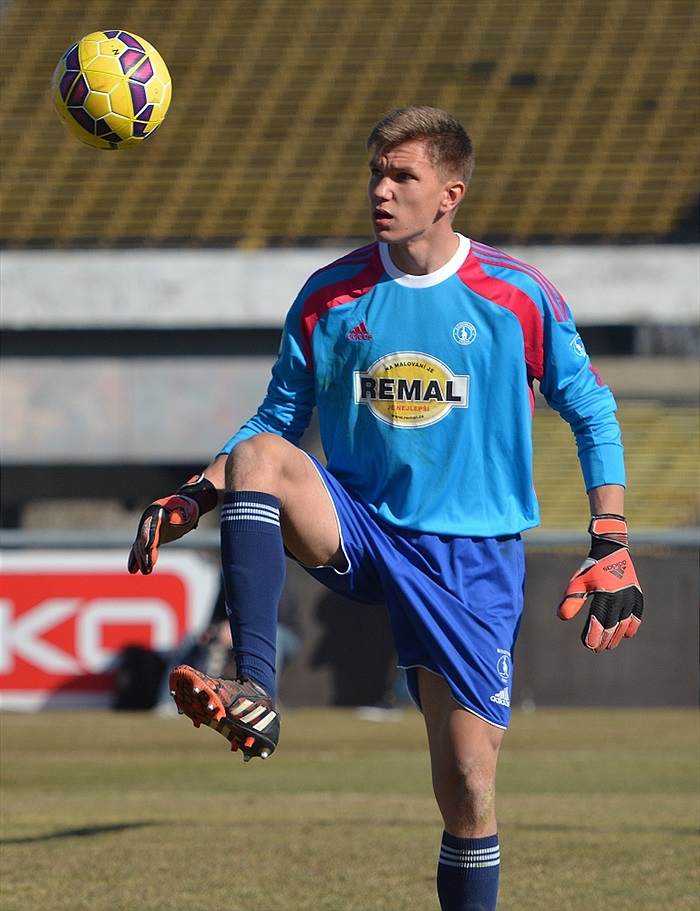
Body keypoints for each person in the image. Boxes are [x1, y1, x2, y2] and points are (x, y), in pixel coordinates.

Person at [128, 105, 644, 911]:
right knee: (263, 458)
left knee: (467, 785)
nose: (382, 189)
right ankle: (255, 684)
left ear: (450, 192)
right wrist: (198, 492)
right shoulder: (330, 294)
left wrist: (609, 534)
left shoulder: (514, 295)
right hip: (363, 529)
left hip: (471, 558)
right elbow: (273, 422)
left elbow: (594, 409)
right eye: (376, 172)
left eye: (403, 175)